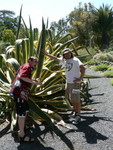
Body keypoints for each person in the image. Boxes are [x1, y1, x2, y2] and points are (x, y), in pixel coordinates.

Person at [42, 48, 86, 124]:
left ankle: (78, 115)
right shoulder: (64, 60)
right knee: (71, 99)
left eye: (68, 53)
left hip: (75, 84)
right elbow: (55, 58)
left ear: (71, 53)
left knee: (76, 99)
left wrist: (80, 78)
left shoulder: (75, 60)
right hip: (68, 83)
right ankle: (75, 112)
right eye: (65, 54)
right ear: (64, 55)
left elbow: (83, 68)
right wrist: (46, 54)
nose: (67, 55)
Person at [10, 56, 42, 142]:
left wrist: (33, 80)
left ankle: (23, 127)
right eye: (35, 61)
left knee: (25, 110)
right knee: (22, 113)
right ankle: (22, 135)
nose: (36, 63)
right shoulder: (27, 67)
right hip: (20, 93)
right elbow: (23, 77)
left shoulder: (25, 66)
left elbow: (24, 77)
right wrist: (35, 82)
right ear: (30, 61)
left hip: (22, 93)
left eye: (37, 61)